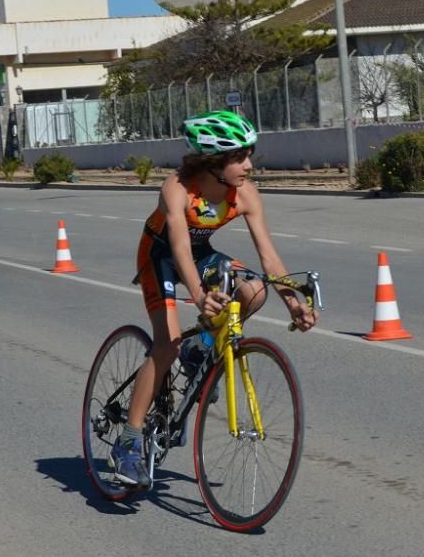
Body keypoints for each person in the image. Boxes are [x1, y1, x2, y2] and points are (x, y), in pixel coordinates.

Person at [111, 110, 318, 488]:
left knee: (254, 290)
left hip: (201, 253)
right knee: (167, 345)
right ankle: (128, 440)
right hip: (160, 258)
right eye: (238, 157)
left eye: (248, 154)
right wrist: (200, 296)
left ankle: (200, 348)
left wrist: (293, 302)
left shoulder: (245, 195)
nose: (249, 165)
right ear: (211, 163)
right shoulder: (177, 190)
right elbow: (178, 249)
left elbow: (268, 257)